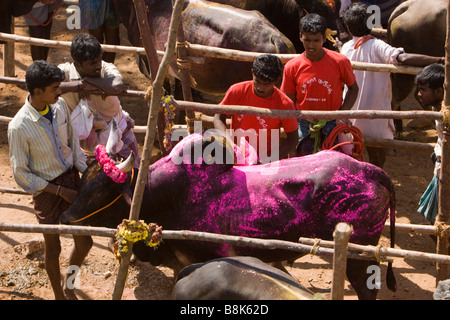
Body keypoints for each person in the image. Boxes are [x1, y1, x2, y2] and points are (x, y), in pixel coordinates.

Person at [8, 60, 91, 300]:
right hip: (46, 191)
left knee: (85, 243)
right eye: (54, 88)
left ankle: (70, 286)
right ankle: (59, 295)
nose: (59, 92)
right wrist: (58, 191)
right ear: (37, 92)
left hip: (71, 180)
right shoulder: (19, 126)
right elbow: (21, 174)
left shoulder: (61, 107)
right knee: (53, 247)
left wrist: (86, 174)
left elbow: (74, 146)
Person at [340, 3, 444, 168]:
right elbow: (403, 58)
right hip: (375, 116)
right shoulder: (377, 46)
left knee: (352, 160)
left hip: (351, 116)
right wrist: (438, 60)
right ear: (370, 23)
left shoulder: (345, 49)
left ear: (347, 26)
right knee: (377, 162)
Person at [281, 13, 359, 155]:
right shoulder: (292, 67)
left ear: (324, 37)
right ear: (300, 36)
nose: (311, 45)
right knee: (300, 163)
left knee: (332, 165)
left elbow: (353, 88)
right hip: (303, 122)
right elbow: (289, 100)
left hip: (332, 121)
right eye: (307, 40)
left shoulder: (339, 61)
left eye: (316, 40)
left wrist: (342, 113)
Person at [58, 34, 140, 167]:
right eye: (92, 63)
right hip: (84, 140)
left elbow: (118, 86)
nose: (98, 66)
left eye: (99, 60)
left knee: (134, 170)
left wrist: (89, 81)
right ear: (78, 64)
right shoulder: (66, 71)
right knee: (95, 181)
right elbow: (48, 84)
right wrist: (81, 86)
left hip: (117, 128)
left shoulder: (106, 67)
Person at [214, 54, 299, 163]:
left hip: (265, 161)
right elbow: (218, 117)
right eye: (257, 81)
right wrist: (230, 144)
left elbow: (292, 140)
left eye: (266, 84)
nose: (260, 88)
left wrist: (266, 159)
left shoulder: (285, 104)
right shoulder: (236, 91)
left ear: (277, 80)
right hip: (235, 157)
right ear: (252, 73)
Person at [416, 64, 445, 224]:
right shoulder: (438, 108)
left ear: (439, 91)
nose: (419, 94)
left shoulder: (445, 113)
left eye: (423, 90)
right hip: (440, 166)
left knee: (437, 220)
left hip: (445, 168)